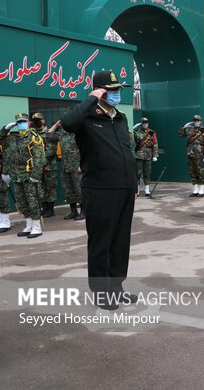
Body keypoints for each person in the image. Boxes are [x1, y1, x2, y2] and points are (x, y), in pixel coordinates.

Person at [62, 69, 137, 310]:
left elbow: (126, 152)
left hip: (124, 188)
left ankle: (117, 289)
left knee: (120, 242)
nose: (116, 93)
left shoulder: (120, 117)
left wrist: (133, 183)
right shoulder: (87, 116)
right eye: (112, 90)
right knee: (101, 243)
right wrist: (91, 98)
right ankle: (101, 293)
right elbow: (67, 123)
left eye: (118, 90)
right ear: (101, 91)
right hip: (100, 189)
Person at [0, 113, 46, 238]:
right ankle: (29, 225)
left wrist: (35, 175)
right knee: (21, 201)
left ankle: (37, 227)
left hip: (29, 173)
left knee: (32, 201)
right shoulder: (13, 137)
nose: (21, 124)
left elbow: (39, 158)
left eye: (23, 121)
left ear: (28, 122)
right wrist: (6, 128)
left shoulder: (33, 137)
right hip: (16, 174)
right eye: (18, 122)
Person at [47, 120, 83, 220]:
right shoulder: (62, 133)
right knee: (68, 190)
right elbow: (48, 136)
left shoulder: (79, 132)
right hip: (65, 166)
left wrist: (82, 164)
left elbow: (86, 149)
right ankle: (73, 211)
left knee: (79, 190)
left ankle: (84, 212)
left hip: (77, 166)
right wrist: (56, 125)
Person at [31, 112, 58, 218]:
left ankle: (50, 210)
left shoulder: (49, 133)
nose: (37, 122)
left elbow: (51, 151)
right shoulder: (33, 134)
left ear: (43, 121)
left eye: (38, 120)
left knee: (50, 187)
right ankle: (44, 208)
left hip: (49, 166)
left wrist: (41, 162)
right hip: (37, 167)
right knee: (40, 188)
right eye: (34, 120)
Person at [179, 114, 204, 197]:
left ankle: (201, 190)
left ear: (201, 121)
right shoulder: (189, 129)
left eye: (198, 120)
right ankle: (195, 189)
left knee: (200, 172)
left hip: (199, 155)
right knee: (192, 172)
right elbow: (181, 134)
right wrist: (184, 127)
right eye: (195, 120)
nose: (196, 122)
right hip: (190, 154)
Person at [133, 116, 159, 196]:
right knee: (138, 173)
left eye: (146, 123)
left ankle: (147, 190)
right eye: (144, 123)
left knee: (147, 172)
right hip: (139, 155)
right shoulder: (137, 132)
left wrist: (155, 155)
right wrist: (133, 128)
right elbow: (130, 136)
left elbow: (155, 144)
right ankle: (137, 190)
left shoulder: (151, 132)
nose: (145, 124)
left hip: (148, 155)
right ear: (141, 124)